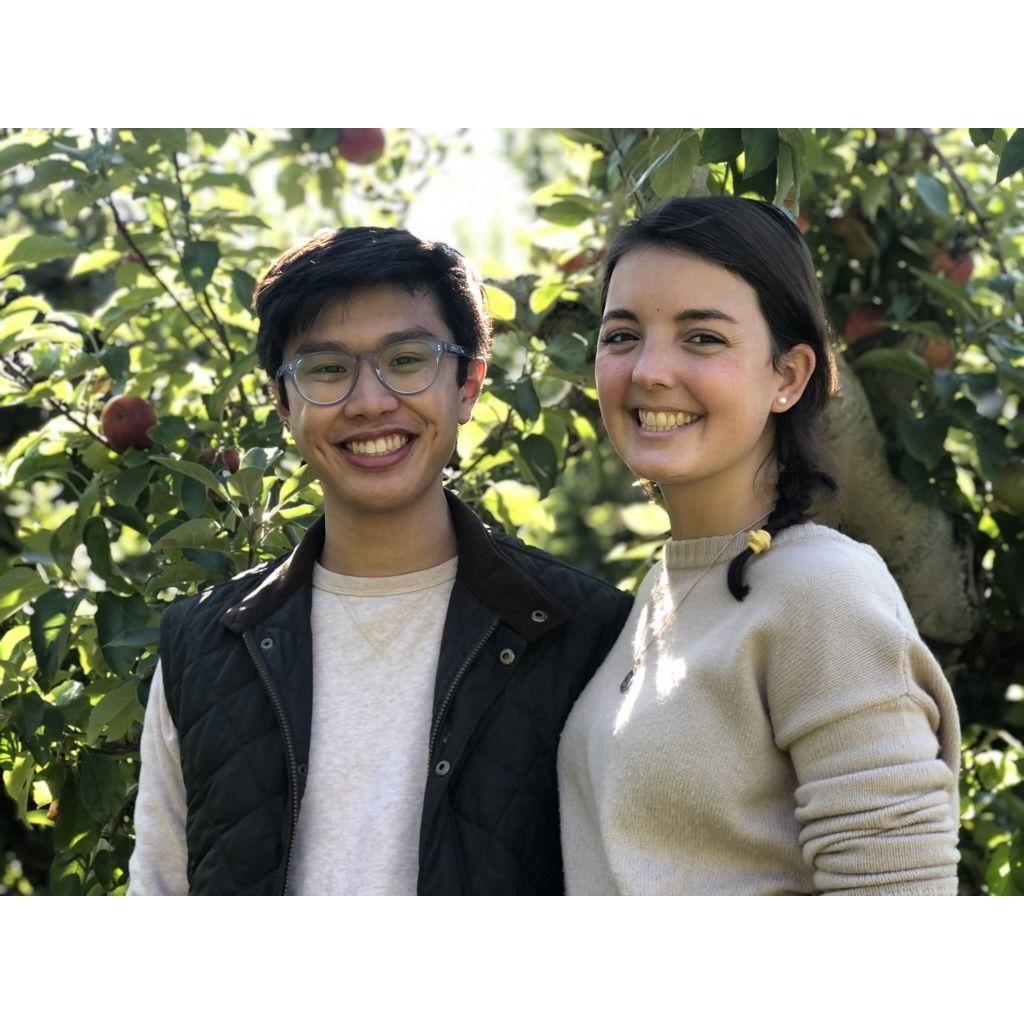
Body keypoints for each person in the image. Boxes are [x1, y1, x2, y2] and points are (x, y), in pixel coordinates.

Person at [128, 226, 632, 895]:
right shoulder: (206, 644)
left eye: (407, 360)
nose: (370, 402)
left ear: (468, 385)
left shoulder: (584, 633)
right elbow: (159, 890)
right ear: (283, 402)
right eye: (326, 369)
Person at [557, 196, 961, 895]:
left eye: (702, 338)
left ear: (789, 377)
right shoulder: (665, 590)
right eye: (622, 335)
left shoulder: (820, 589)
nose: (648, 370)